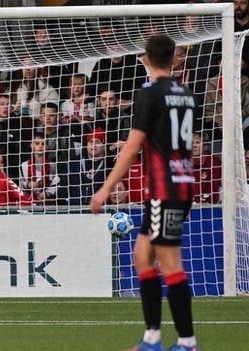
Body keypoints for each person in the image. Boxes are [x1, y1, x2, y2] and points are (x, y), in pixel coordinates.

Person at [90, 35, 199, 351]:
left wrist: (105, 188)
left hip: (165, 188)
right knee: (142, 256)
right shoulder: (185, 93)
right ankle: (152, 337)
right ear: (174, 60)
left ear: (145, 59)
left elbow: (133, 145)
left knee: (169, 263)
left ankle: (187, 342)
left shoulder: (150, 93)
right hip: (179, 184)